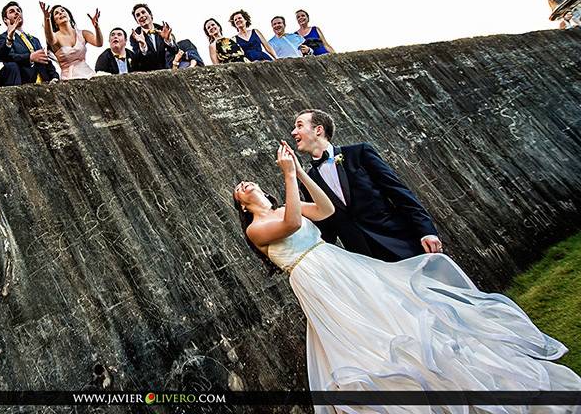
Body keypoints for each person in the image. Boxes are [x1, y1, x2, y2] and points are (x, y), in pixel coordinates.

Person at [235, 143, 581, 407]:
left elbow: (325, 210)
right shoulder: (257, 228)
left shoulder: (282, 205)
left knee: (395, 314)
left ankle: (446, 365)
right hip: (315, 278)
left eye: (247, 181)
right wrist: (289, 177)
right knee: (361, 333)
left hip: (339, 264)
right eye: (239, 188)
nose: (244, 184)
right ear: (241, 204)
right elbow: (293, 223)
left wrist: (300, 172)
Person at [292, 108, 441, 262]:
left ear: (318, 130)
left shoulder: (359, 153)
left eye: (299, 125)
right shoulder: (308, 181)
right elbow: (326, 229)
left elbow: (399, 193)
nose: (293, 132)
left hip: (401, 243)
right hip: (365, 260)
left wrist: (427, 231)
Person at [0, 1, 58, 84]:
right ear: (5, 19)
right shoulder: (1, 38)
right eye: (12, 11)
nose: (17, 12)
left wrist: (54, 77)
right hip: (22, 82)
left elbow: (45, 59)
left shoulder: (35, 40)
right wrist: (30, 57)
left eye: (18, 10)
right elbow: (8, 57)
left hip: (44, 83)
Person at [40, 2, 102, 80]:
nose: (60, 13)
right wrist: (47, 19)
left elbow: (99, 43)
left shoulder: (83, 33)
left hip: (88, 74)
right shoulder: (55, 37)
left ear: (69, 16)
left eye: (62, 11)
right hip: (69, 78)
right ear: (55, 22)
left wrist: (97, 27)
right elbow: (50, 39)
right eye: (56, 13)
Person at [129, 3, 178, 72]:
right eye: (138, 15)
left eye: (143, 12)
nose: (141, 16)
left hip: (167, 71)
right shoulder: (135, 36)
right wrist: (143, 46)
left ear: (151, 15)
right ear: (137, 21)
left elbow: (175, 50)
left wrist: (168, 40)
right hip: (147, 74)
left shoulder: (163, 29)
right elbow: (137, 59)